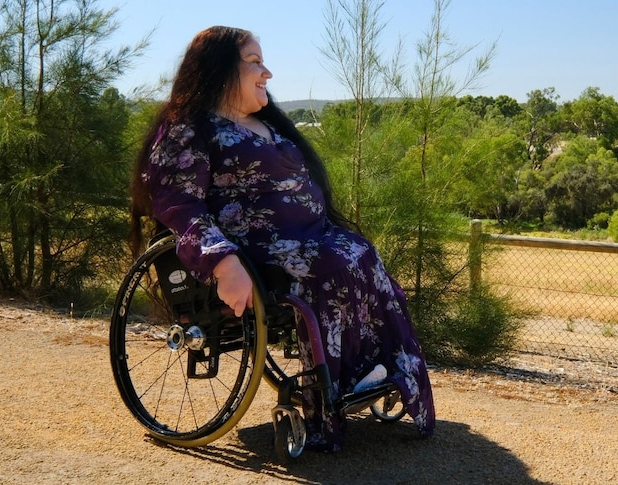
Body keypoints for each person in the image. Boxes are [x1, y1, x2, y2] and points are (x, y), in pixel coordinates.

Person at [129, 26, 435, 452]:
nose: (267, 72)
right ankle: (338, 387)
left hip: (309, 240)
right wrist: (223, 262)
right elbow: (178, 203)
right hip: (256, 254)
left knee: (360, 252)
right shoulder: (189, 128)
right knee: (330, 263)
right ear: (219, 70)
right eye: (254, 62)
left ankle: (377, 369)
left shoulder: (263, 122)